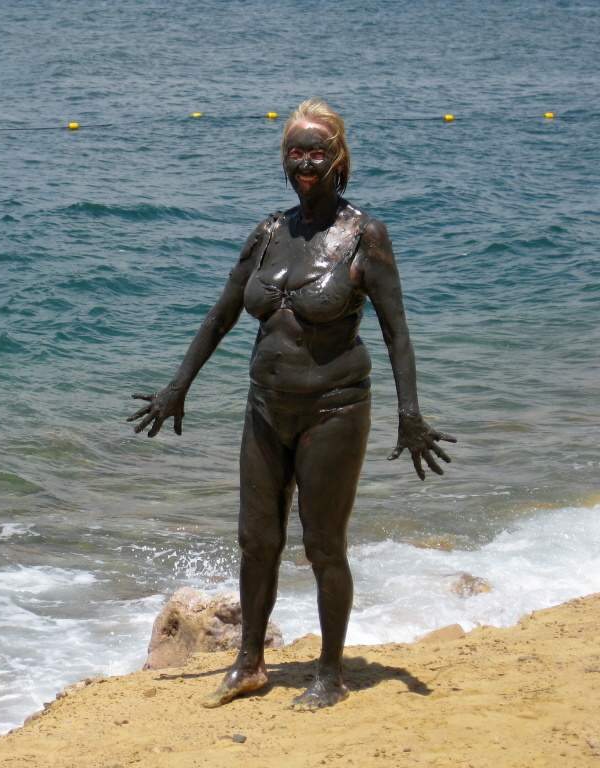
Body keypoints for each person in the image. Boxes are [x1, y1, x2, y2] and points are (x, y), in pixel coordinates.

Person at [128, 98, 455, 710]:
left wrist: (411, 415)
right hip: (265, 408)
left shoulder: (364, 236)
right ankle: (249, 663)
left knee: (323, 546)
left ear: (339, 159)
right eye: (295, 152)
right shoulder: (269, 233)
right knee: (256, 540)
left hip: (335, 409)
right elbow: (223, 313)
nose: (306, 162)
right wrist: (178, 386)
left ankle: (329, 673)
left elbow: (396, 333)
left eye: (317, 152)